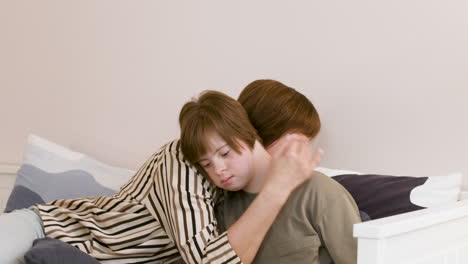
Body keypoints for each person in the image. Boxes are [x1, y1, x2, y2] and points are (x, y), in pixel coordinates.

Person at [0, 80, 322, 264]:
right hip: (47, 228)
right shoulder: (183, 160)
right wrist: (276, 190)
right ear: (255, 135)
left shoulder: (241, 189)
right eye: (293, 144)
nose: (296, 156)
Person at [179, 87, 361, 263]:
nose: (218, 170)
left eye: (225, 153)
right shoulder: (222, 207)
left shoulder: (320, 193)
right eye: (206, 165)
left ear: (249, 136)